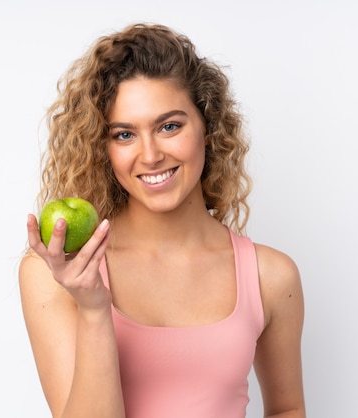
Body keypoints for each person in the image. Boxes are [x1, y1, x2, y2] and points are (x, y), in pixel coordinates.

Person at [19, 23, 305, 418]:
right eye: (124, 134)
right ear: (103, 149)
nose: (150, 155)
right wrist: (94, 308)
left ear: (208, 125)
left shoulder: (270, 276)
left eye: (169, 126)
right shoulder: (58, 273)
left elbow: (286, 409)